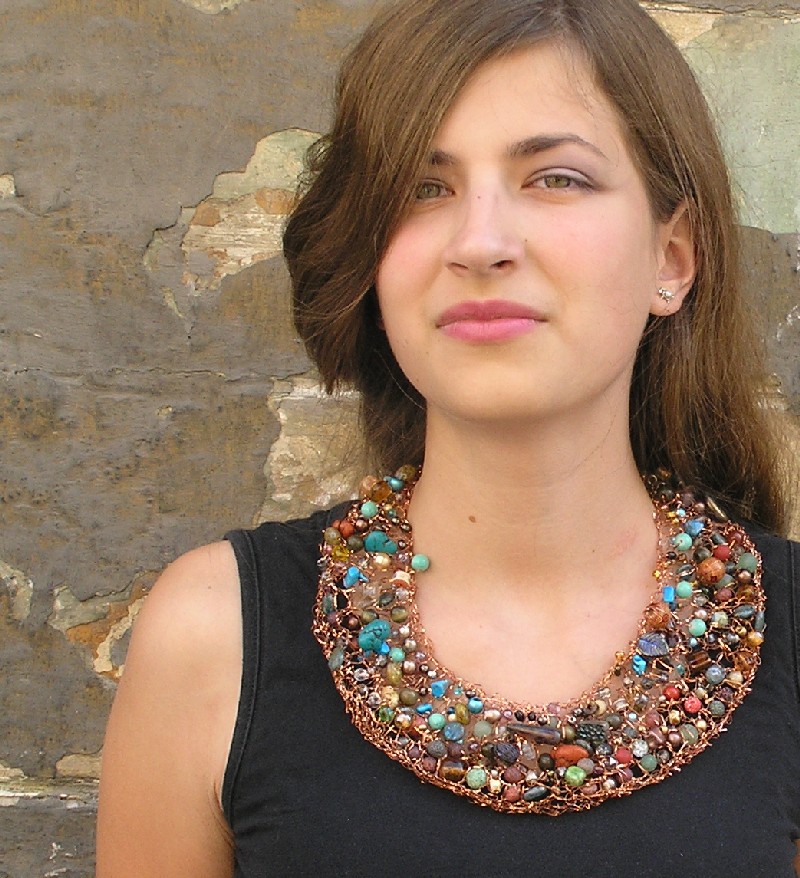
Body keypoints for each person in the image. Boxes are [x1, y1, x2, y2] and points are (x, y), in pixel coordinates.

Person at [96, 0, 800, 875]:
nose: (480, 242)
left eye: (555, 179)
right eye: (423, 189)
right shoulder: (216, 638)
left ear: (673, 258)